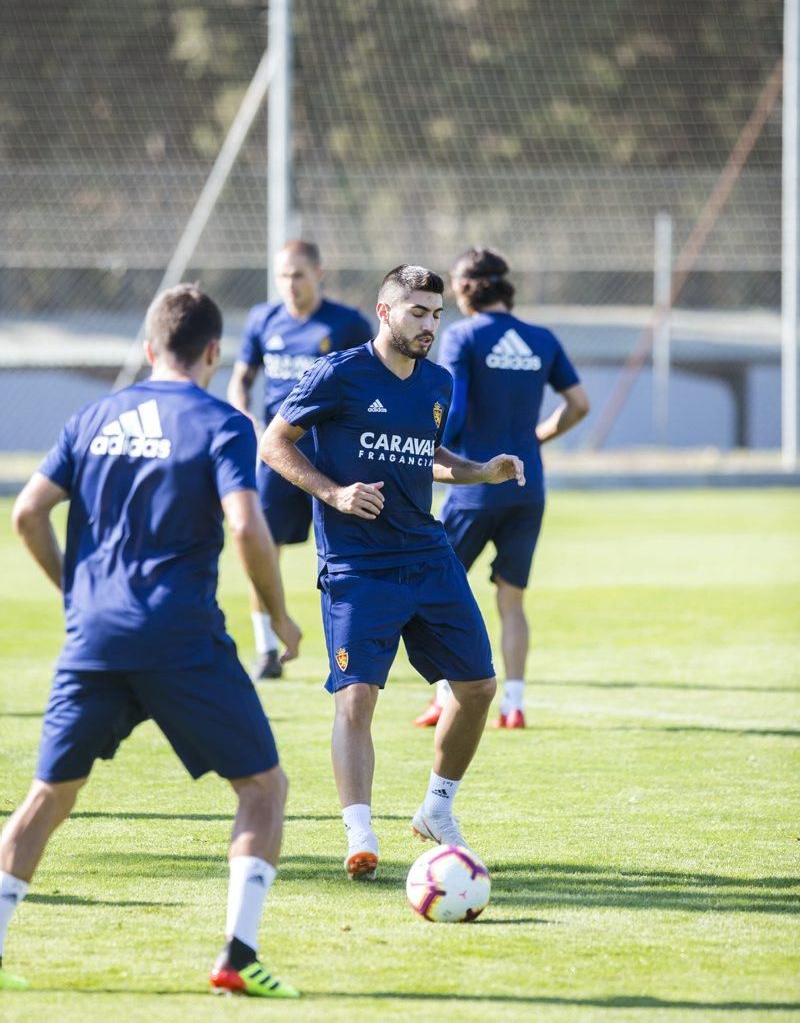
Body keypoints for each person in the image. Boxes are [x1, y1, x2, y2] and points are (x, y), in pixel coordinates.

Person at [0, 285, 302, 998]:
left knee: (47, 797)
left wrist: (78, 592)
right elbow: (247, 526)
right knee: (263, 787)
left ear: (147, 348)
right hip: (179, 635)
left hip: (93, 638)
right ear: (211, 352)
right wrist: (278, 614)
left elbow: (27, 513)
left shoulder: (94, 415)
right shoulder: (221, 421)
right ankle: (238, 952)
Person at [260, 264, 524, 881]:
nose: (430, 325)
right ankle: (359, 831)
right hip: (357, 565)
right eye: (417, 313)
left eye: (436, 314)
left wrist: (481, 472)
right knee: (356, 699)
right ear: (385, 312)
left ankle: (437, 808)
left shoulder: (438, 383)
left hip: (428, 558)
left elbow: (424, 455)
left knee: (480, 688)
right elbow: (274, 444)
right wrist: (334, 494)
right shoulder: (340, 372)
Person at [413, 247, 589, 732]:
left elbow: (457, 409)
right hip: (528, 487)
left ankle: (444, 694)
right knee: (511, 601)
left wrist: (429, 451)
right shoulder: (541, 339)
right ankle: (514, 704)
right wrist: (534, 438)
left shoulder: (464, 337)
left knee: (437, 592)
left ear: (466, 290)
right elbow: (578, 404)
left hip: (476, 488)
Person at [228, 239, 373, 679]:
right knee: (262, 547)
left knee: (350, 551)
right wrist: (245, 418)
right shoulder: (263, 320)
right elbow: (240, 379)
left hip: (332, 454)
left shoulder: (346, 323)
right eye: (282, 275)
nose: (289, 284)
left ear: (318, 274)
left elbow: (374, 377)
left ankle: (360, 643)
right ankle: (267, 649)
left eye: (298, 275)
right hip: (279, 456)